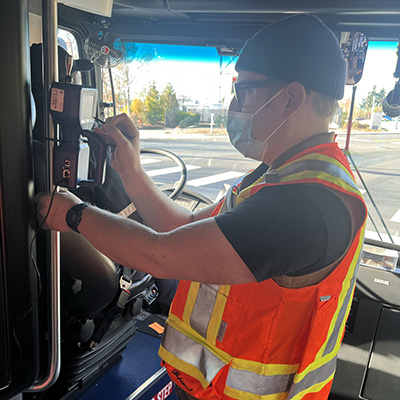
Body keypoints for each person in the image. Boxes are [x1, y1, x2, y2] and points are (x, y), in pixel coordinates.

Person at [36, 14, 367, 400]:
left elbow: (161, 255)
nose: (234, 104)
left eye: (244, 90)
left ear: (291, 98)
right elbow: (182, 226)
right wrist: (131, 170)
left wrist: (72, 215)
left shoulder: (308, 206)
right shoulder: (278, 176)